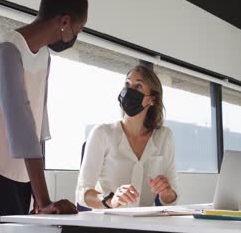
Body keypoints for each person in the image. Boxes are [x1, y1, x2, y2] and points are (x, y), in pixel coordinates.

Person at [0, 0, 88, 233]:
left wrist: (38, 192)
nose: (76, 35)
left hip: (22, 171)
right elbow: (21, 126)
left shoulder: (43, 55)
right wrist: (43, 201)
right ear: (64, 21)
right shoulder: (5, 50)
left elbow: (39, 125)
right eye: (79, 28)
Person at [76, 65, 178, 209]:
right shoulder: (101, 133)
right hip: (108, 224)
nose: (130, 91)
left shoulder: (164, 137)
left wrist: (166, 192)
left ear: (152, 100)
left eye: (138, 86)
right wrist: (110, 200)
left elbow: (172, 197)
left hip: (146, 226)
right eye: (127, 84)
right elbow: (82, 193)